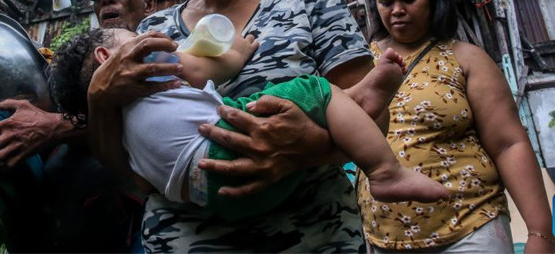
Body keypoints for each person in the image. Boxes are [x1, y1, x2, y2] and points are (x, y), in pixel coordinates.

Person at [86, 0, 399, 252]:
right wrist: (98, 100)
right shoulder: (153, 33)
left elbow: (373, 114)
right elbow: (132, 171)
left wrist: (306, 148)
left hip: (315, 238)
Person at [52, 26, 448, 222]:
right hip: (223, 148)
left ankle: (355, 102)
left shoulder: (118, 131)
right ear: (107, 57)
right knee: (312, 89)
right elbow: (213, 65)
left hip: (220, 199)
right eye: (132, 35)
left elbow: (132, 175)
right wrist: (239, 49)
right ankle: (385, 170)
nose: (144, 36)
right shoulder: (150, 67)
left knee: (285, 104)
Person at [357, 0, 555, 254]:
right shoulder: (359, 63)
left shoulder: (465, 59)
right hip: (384, 238)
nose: (397, 10)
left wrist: (540, 233)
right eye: (386, 1)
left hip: (470, 227)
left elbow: (508, 144)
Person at [0, 0, 174, 252]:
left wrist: (56, 126)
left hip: (122, 222)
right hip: (54, 218)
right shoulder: (76, 58)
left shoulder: (166, 55)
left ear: (149, 4)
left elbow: (161, 123)